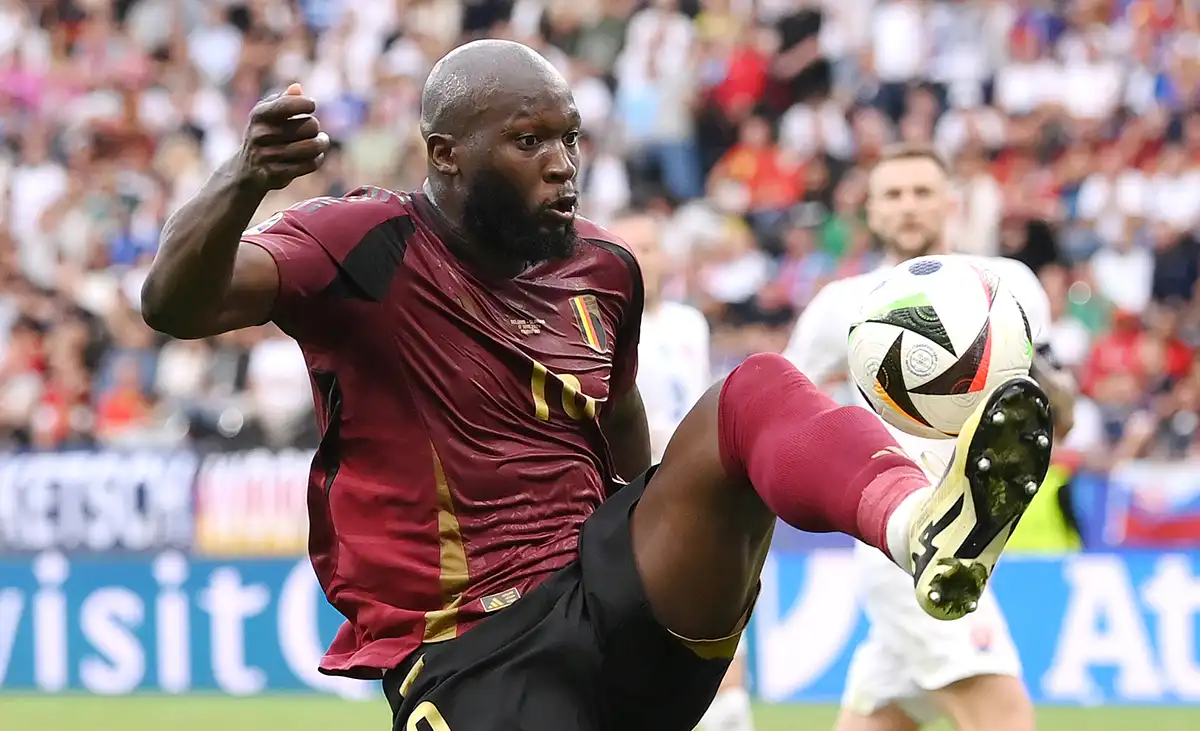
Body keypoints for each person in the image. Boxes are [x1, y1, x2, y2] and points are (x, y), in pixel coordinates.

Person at [141, 41, 1054, 731]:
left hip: (611, 589)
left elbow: (619, 421)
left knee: (758, 388)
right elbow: (174, 303)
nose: (561, 161)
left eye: (570, 138)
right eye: (529, 139)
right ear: (446, 154)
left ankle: (920, 524)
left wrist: (681, 534)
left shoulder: (605, 271)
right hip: (469, 648)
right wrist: (244, 180)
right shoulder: (360, 243)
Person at [783, 143, 1077, 731]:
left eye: (922, 192)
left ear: (951, 202)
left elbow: (1060, 415)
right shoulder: (840, 307)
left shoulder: (1008, 285)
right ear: (870, 210)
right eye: (893, 194)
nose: (909, 207)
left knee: (882, 716)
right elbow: (783, 417)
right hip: (913, 541)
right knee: (1004, 717)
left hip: (971, 529)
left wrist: (1009, 359)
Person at [610, 212, 753, 731]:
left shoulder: (689, 324)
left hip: (695, 487)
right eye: (633, 246)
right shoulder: (601, 325)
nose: (644, 257)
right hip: (630, 498)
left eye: (651, 246)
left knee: (720, 622)